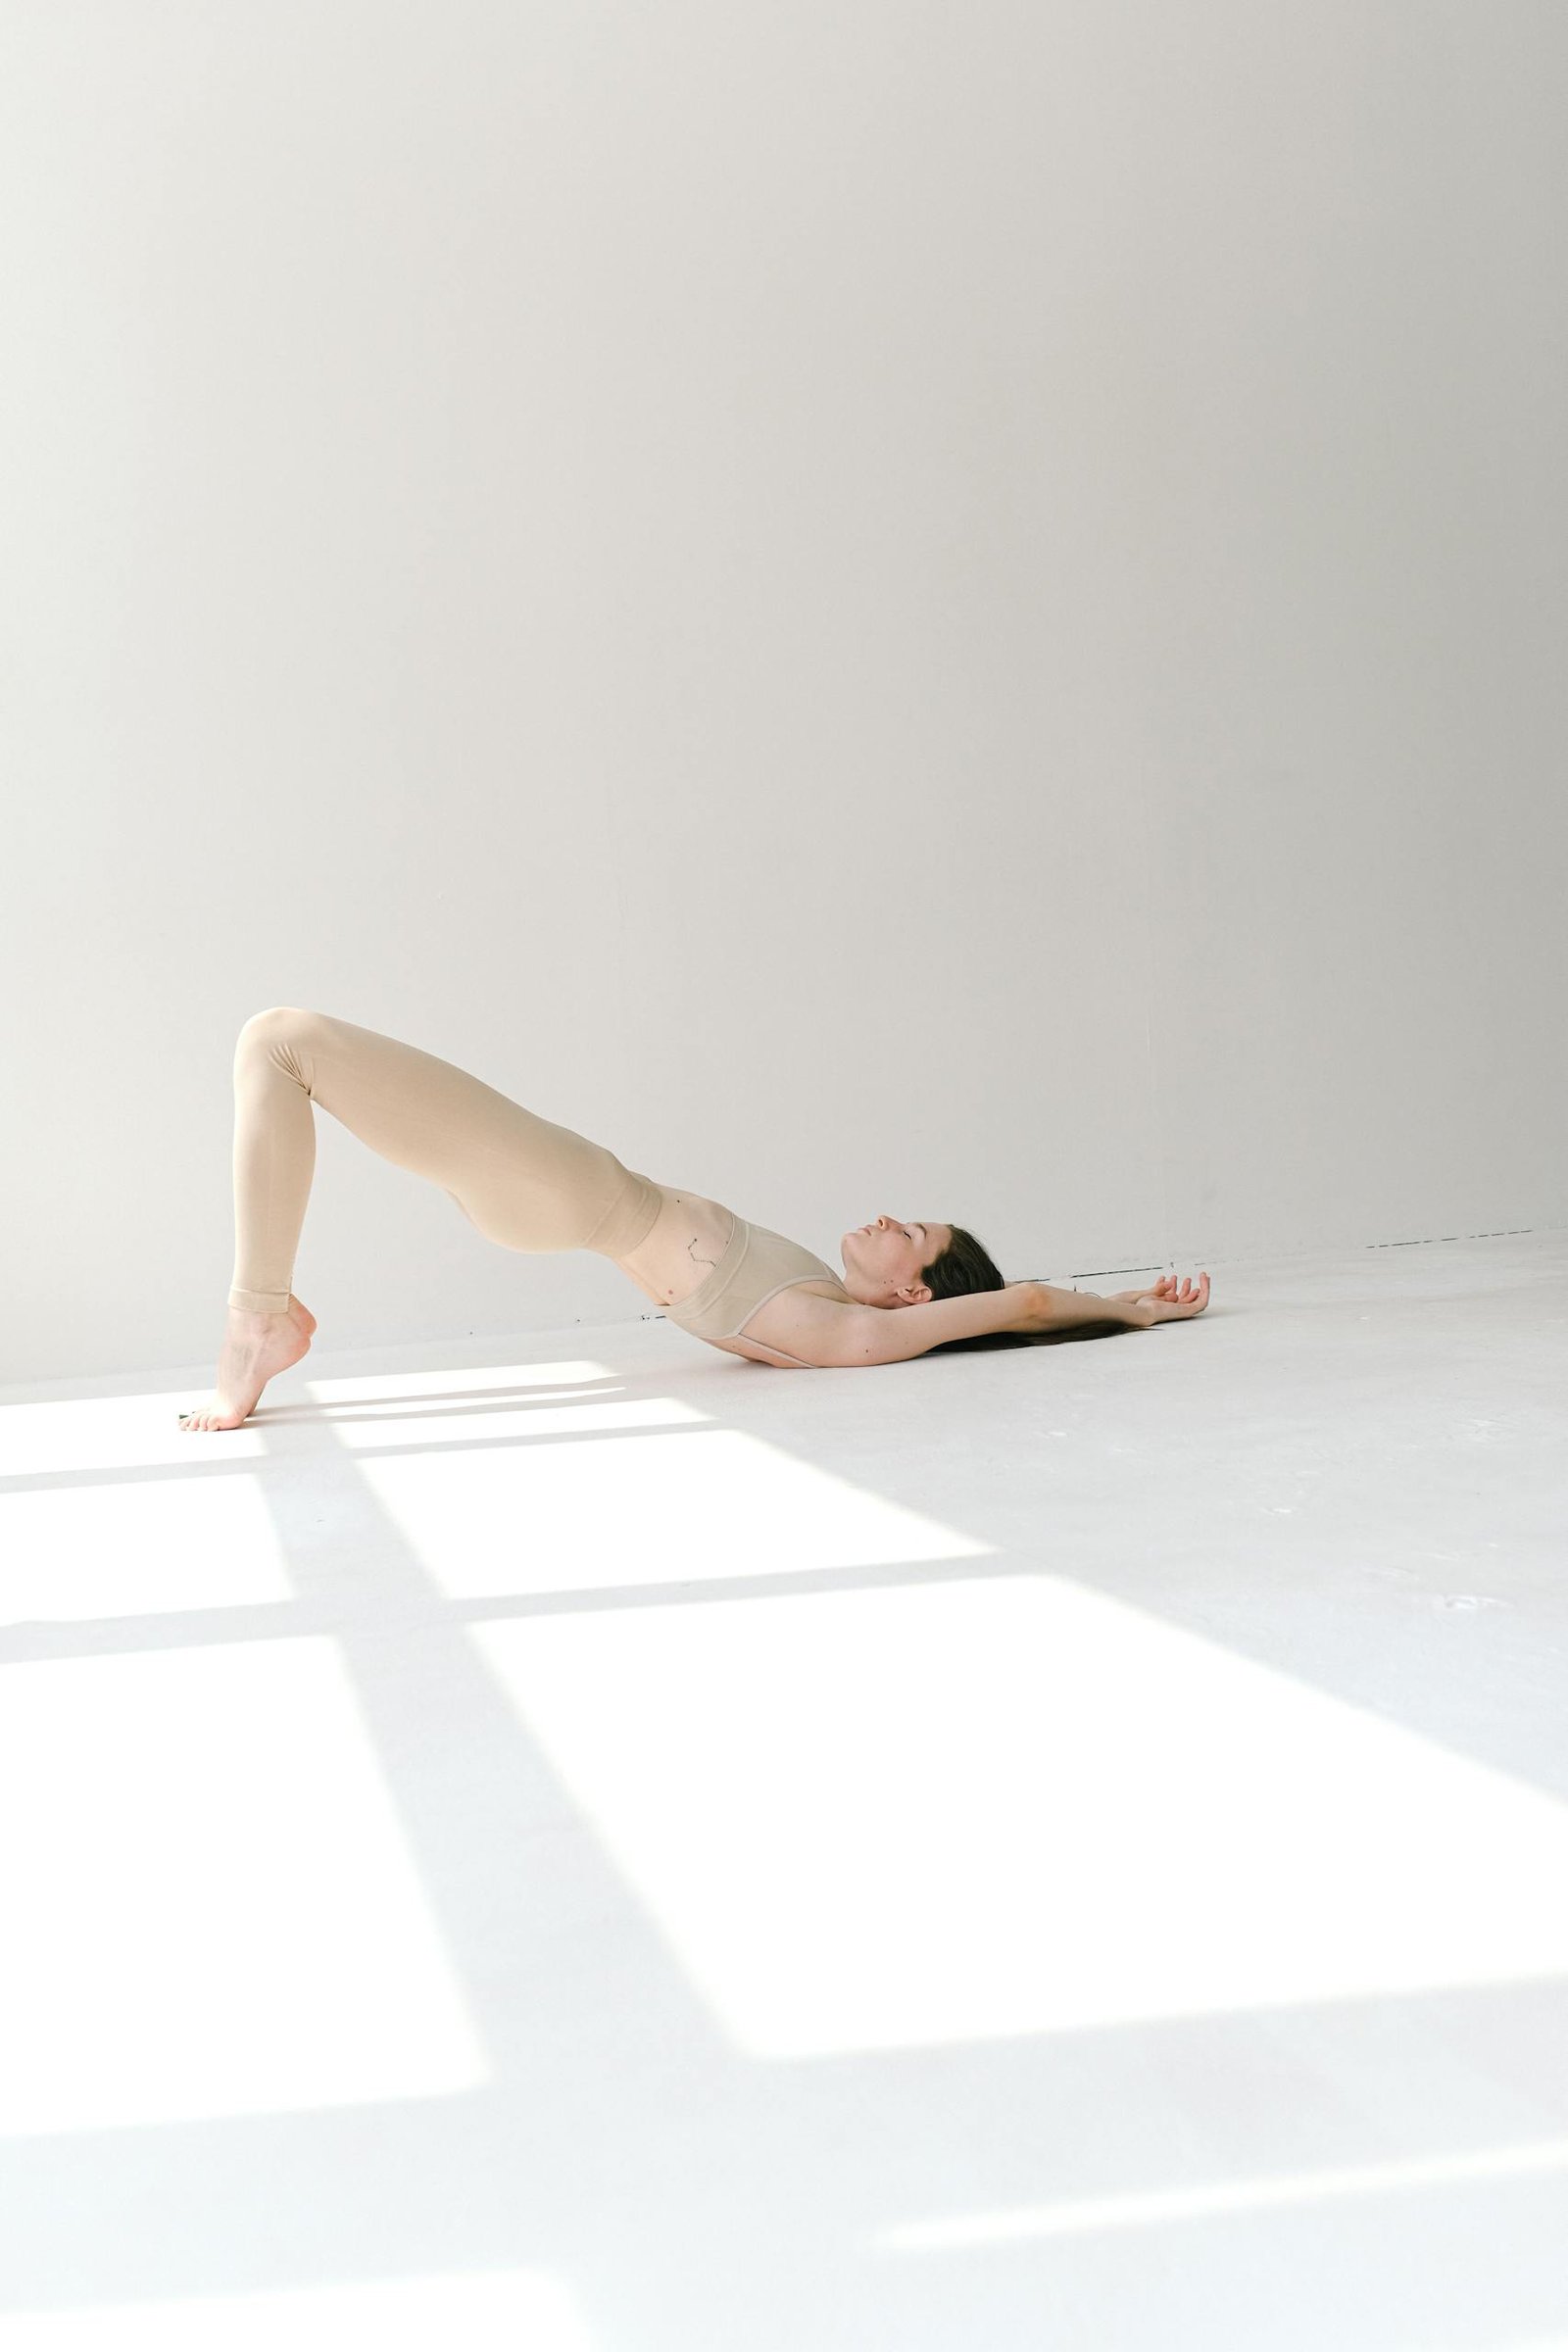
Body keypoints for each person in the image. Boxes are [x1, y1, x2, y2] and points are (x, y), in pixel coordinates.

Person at [179, 1006, 1210, 1429]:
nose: (893, 1218)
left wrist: (1131, 1309)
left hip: (574, 1194)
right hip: (563, 1196)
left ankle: (255, 1318)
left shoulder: (859, 1335)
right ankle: (262, 1314)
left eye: (917, 1236)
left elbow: (1022, 1303)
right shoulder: (817, 1298)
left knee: (281, 1041)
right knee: (280, 1046)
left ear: (913, 1292)